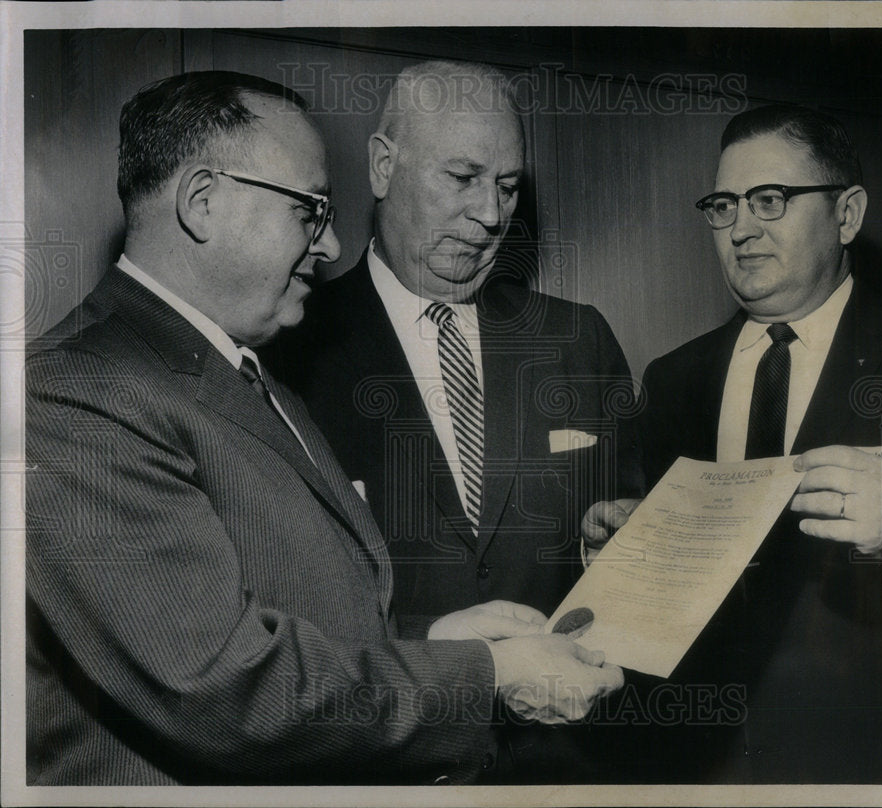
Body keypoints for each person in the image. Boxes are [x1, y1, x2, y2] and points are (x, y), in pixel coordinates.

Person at [24, 70, 624, 786]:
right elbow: (225, 691)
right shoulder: (72, 395)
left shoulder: (249, 375)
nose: (332, 243)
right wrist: (485, 672)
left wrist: (430, 641)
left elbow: (297, 615)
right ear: (203, 203)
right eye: (309, 211)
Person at [265, 59, 639, 782]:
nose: (493, 215)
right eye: (462, 178)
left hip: (560, 768)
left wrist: (612, 546)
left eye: (507, 187)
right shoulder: (288, 346)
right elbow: (266, 614)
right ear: (382, 166)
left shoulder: (577, 339)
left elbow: (625, 535)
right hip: (374, 768)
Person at [584, 105, 882, 783]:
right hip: (706, 768)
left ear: (847, 214)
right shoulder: (673, 380)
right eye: (723, 205)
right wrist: (620, 561)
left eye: (771, 199)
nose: (741, 228)